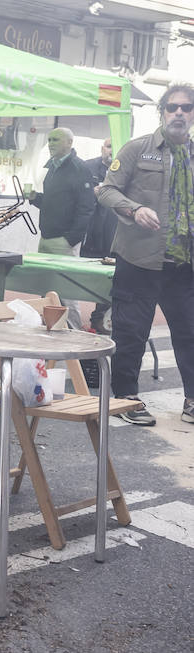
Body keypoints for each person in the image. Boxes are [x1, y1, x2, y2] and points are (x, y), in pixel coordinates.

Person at [95, 83, 194, 428]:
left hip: (182, 262)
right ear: (162, 112)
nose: (179, 113)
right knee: (131, 331)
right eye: (172, 107)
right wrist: (135, 209)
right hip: (139, 258)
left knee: (189, 331)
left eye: (186, 107)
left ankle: (192, 399)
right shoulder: (139, 149)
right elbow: (105, 189)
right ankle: (126, 397)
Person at [25, 126, 96, 328]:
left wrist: (71, 239)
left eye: (56, 140)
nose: (50, 144)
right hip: (46, 237)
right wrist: (35, 198)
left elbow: (87, 208)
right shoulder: (53, 168)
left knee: (66, 292)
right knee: (46, 289)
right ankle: (49, 329)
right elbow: (52, 202)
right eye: (49, 140)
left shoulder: (79, 168)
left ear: (69, 143)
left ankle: (73, 334)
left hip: (63, 240)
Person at [81, 137, 119, 332]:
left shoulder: (125, 170)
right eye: (108, 146)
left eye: (114, 146)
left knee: (108, 279)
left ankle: (99, 319)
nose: (111, 150)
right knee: (85, 275)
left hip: (114, 232)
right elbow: (79, 195)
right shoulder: (88, 167)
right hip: (92, 232)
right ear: (102, 148)